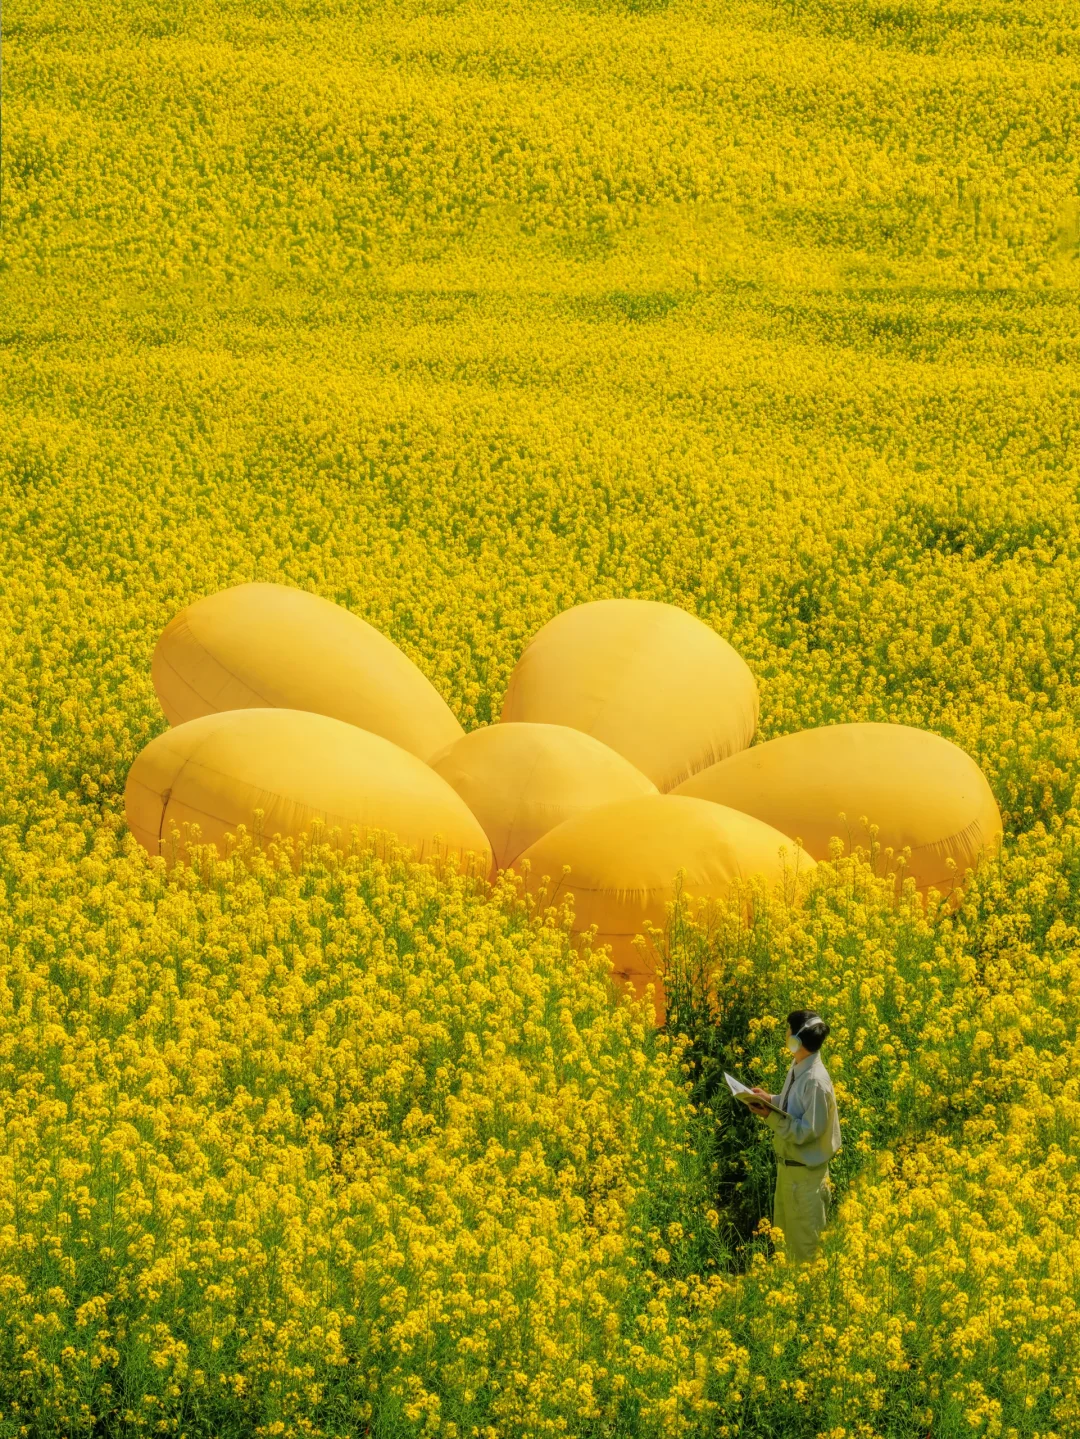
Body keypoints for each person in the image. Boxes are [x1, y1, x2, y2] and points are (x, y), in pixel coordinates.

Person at [746, 1009, 842, 1265]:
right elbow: (794, 1107)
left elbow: (806, 1131)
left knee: (805, 1256)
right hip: (788, 1173)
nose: (785, 1032)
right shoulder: (799, 1066)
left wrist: (770, 1116)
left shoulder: (815, 1081)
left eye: (788, 1028)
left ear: (796, 1040)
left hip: (806, 1181)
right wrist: (771, 1100)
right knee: (784, 1251)